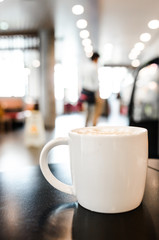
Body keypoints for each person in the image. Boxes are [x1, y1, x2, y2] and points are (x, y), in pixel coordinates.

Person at [79, 52, 103, 126]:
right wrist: (98, 93)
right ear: (96, 58)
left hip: (84, 90)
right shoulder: (94, 67)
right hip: (91, 92)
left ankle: (85, 126)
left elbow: (82, 79)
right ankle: (92, 127)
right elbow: (96, 82)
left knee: (86, 111)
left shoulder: (85, 66)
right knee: (92, 111)